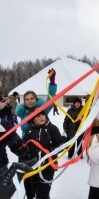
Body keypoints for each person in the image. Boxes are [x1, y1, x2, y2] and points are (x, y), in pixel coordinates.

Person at [15, 68, 57, 199]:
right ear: (24, 101)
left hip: (41, 150)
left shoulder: (42, 110)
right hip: (26, 150)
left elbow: (51, 97)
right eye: (27, 99)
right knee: (28, 181)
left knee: (42, 184)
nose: (29, 100)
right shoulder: (22, 114)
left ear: (36, 99)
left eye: (32, 98)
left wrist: (52, 81)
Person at [23, 109, 63, 199]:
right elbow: (25, 145)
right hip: (33, 166)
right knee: (34, 191)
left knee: (43, 193)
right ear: (32, 119)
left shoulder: (52, 128)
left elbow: (61, 144)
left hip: (48, 166)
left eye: (43, 115)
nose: (41, 117)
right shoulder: (29, 130)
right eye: (38, 116)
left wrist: (50, 150)